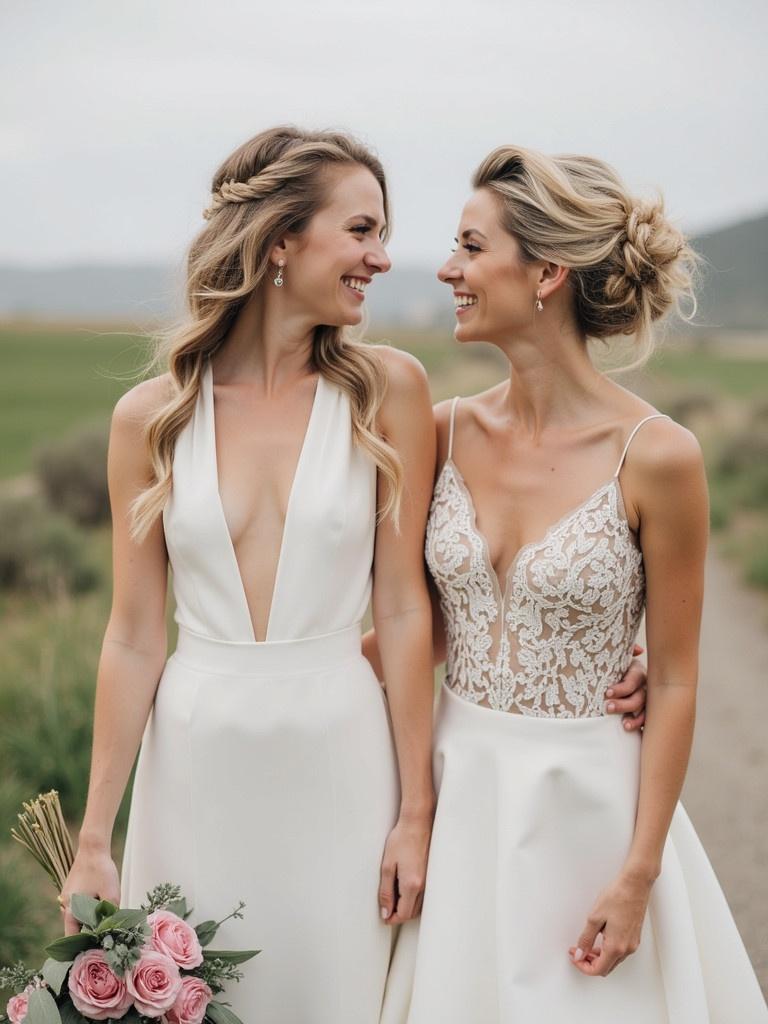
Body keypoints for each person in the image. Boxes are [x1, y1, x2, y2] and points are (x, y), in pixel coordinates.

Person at [58, 126, 438, 1024]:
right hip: (194, 765)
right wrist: (93, 838)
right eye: (361, 230)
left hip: (343, 760)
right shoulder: (149, 417)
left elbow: (404, 606)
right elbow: (135, 633)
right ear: (280, 242)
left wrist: (416, 811)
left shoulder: (390, 392)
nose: (381, 258)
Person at [382, 146, 768, 1021]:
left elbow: (672, 677)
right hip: (458, 791)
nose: (449, 269)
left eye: (471, 248)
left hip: (590, 811)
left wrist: (638, 874)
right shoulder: (438, 432)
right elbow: (416, 626)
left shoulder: (659, 457)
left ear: (548, 270)